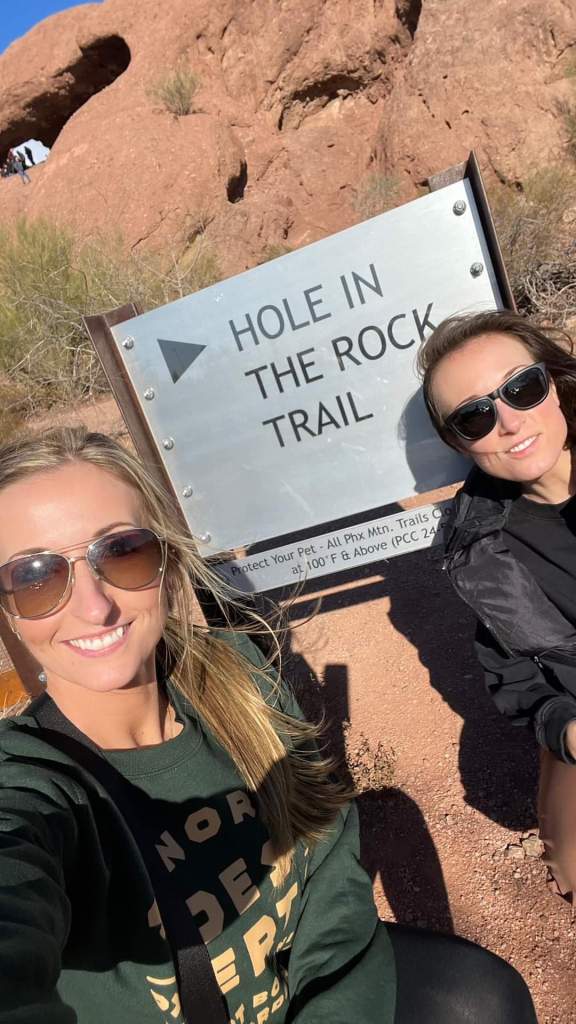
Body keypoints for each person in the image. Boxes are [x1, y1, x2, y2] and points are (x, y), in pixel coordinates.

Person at [0, 425, 537, 1022]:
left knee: (483, 999)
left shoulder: (240, 678)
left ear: (169, 555)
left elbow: (329, 877)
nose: (95, 605)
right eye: (35, 577)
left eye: (122, 551)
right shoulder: (30, 789)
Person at [419, 308, 576, 905]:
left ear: (554, 384)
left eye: (522, 388)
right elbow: (513, 674)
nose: (509, 422)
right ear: (458, 442)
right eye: (476, 416)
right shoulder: (483, 546)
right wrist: (567, 730)